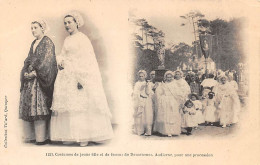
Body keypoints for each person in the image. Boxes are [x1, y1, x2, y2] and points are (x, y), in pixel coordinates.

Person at [50, 11, 113, 146]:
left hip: (79, 75)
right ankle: (70, 135)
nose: (67, 25)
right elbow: (63, 54)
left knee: (80, 106)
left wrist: (81, 78)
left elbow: (87, 59)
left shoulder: (82, 38)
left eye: (69, 22)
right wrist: (60, 60)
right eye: (65, 23)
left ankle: (83, 136)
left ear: (76, 22)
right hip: (67, 75)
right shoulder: (67, 39)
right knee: (69, 105)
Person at [19, 20, 58, 145]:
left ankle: (42, 138)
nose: (33, 30)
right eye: (31, 28)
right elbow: (29, 59)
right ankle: (33, 137)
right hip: (31, 81)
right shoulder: (33, 43)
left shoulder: (47, 42)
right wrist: (25, 71)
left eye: (35, 27)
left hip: (40, 81)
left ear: (42, 28)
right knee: (31, 108)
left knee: (40, 108)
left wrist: (35, 73)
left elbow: (48, 61)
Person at [153, 71, 184, 137]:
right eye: (168, 77)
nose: (169, 78)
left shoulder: (175, 84)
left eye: (170, 77)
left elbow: (178, 93)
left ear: (172, 77)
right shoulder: (163, 84)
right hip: (165, 101)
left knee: (173, 115)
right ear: (165, 77)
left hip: (173, 101)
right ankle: (166, 131)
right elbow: (158, 92)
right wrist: (162, 97)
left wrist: (179, 100)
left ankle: (173, 131)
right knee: (166, 116)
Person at [132, 70, 153, 136]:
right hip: (139, 100)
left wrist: (146, 87)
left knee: (147, 115)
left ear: (145, 76)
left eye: (142, 76)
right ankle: (140, 130)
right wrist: (140, 90)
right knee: (140, 115)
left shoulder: (147, 83)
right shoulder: (137, 83)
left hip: (146, 100)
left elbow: (148, 93)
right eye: (140, 76)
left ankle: (148, 131)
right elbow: (135, 93)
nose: (141, 77)